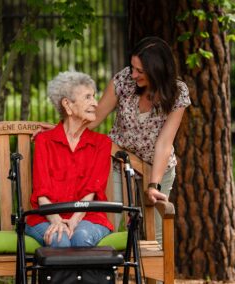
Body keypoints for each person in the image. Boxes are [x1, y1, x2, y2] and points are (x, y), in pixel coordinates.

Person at [88, 36, 191, 242]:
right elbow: (95, 118)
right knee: (108, 224)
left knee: (157, 235)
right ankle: (107, 273)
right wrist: (61, 129)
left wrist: (153, 185)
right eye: (132, 67)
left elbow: (164, 143)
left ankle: (157, 275)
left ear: (158, 70)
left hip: (157, 167)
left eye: (140, 71)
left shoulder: (178, 92)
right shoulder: (124, 80)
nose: (133, 74)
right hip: (118, 162)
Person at [25, 71, 114, 248]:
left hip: (88, 216)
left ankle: (75, 277)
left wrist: (73, 220)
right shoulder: (44, 141)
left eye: (94, 97)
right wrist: (57, 221)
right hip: (45, 216)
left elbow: (92, 191)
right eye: (88, 97)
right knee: (60, 239)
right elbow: (42, 194)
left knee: (80, 237)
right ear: (67, 104)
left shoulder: (101, 144)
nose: (95, 104)